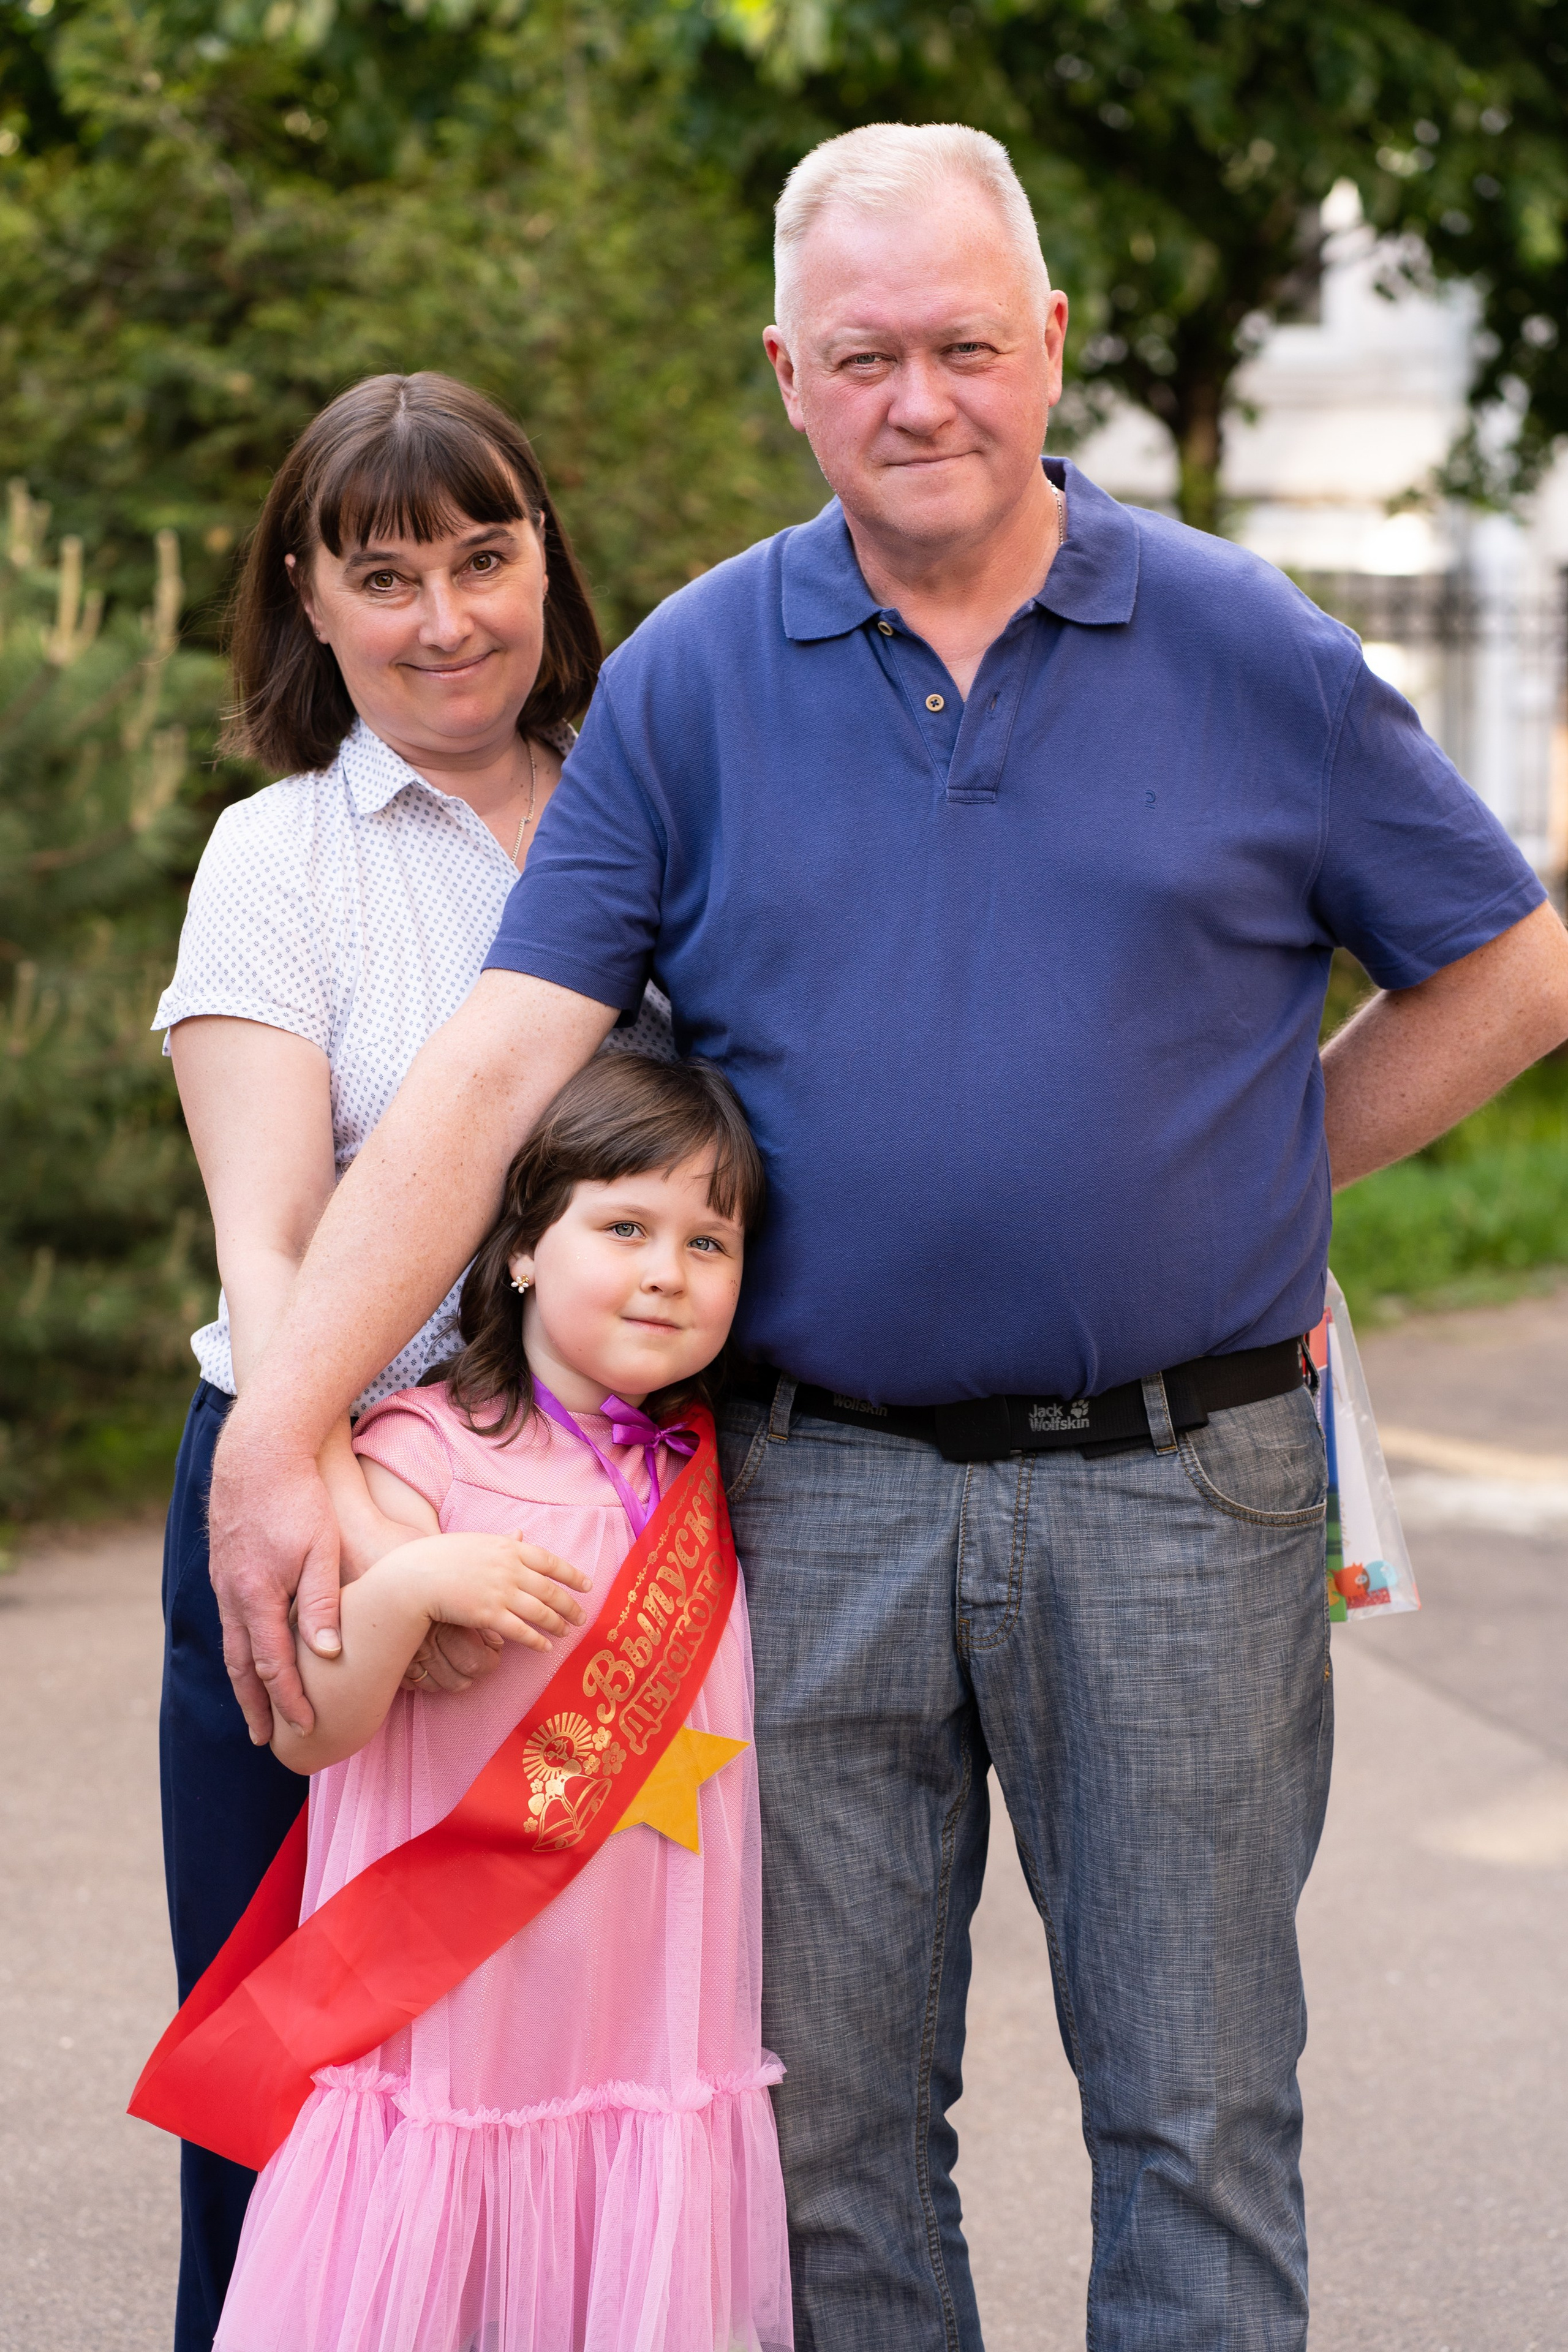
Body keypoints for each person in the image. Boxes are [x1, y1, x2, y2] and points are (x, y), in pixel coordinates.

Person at [204, 124, 1568, 2352]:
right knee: (828, 2131)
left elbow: (1514, 971)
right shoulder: (693, 677)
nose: (918, 398)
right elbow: (490, 1073)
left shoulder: (1252, 648)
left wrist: (1248, 1166)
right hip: (812, 1492)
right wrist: (283, 1427)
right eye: (864, 357)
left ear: (1049, 343)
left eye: (961, 344)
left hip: (1178, 1489)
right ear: (788, 374)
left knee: (1196, 2118)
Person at [152, 371, 670, 2351]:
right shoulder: (283, 858)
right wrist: (344, 1492)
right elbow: (271, 1240)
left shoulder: (652, 803)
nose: (449, 616)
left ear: (549, 555)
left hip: (610, 1524)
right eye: (388, 574)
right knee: (293, 2076)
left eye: (487, 555)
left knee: (581, 2086)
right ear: (309, 592)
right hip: (326, 1504)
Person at [202, 1053, 790, 2352]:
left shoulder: (708, 1471)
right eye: (623, 1226)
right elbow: (313, 1730)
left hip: (641, 2022)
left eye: (710, 1241)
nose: (667, 1271)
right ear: (521, 1246)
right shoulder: (413, 1457)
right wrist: (408, 1585)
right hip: (456, 2021)